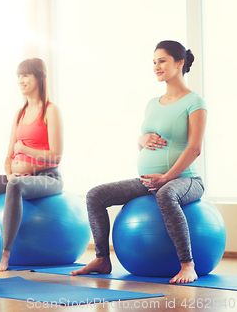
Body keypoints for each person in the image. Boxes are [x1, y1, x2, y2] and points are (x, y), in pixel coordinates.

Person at [71, 40, 206, 284]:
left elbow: (195, 148)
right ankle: (102, 259)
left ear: (179, 63)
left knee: (166, 194)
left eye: (162, 60)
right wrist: (141, 139)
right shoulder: (152, 103)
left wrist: (167, 178)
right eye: (154, 62)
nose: (156, 66)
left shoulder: (194, 101)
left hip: (186, 180)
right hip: (149, 181)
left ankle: (188, 265)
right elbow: (145, 143)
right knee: (95, 195)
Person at [0, 58, 64, 271]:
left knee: (15, 186)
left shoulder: (50, 111)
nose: (20, 80)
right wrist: (11, 173)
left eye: (25, 75)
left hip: (49, 178)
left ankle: (5, 253)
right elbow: (8, 156)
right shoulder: (20, 113)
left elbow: (55, 157)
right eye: (18, 76)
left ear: (39, 77)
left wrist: (25, 153)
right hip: (18, 179)